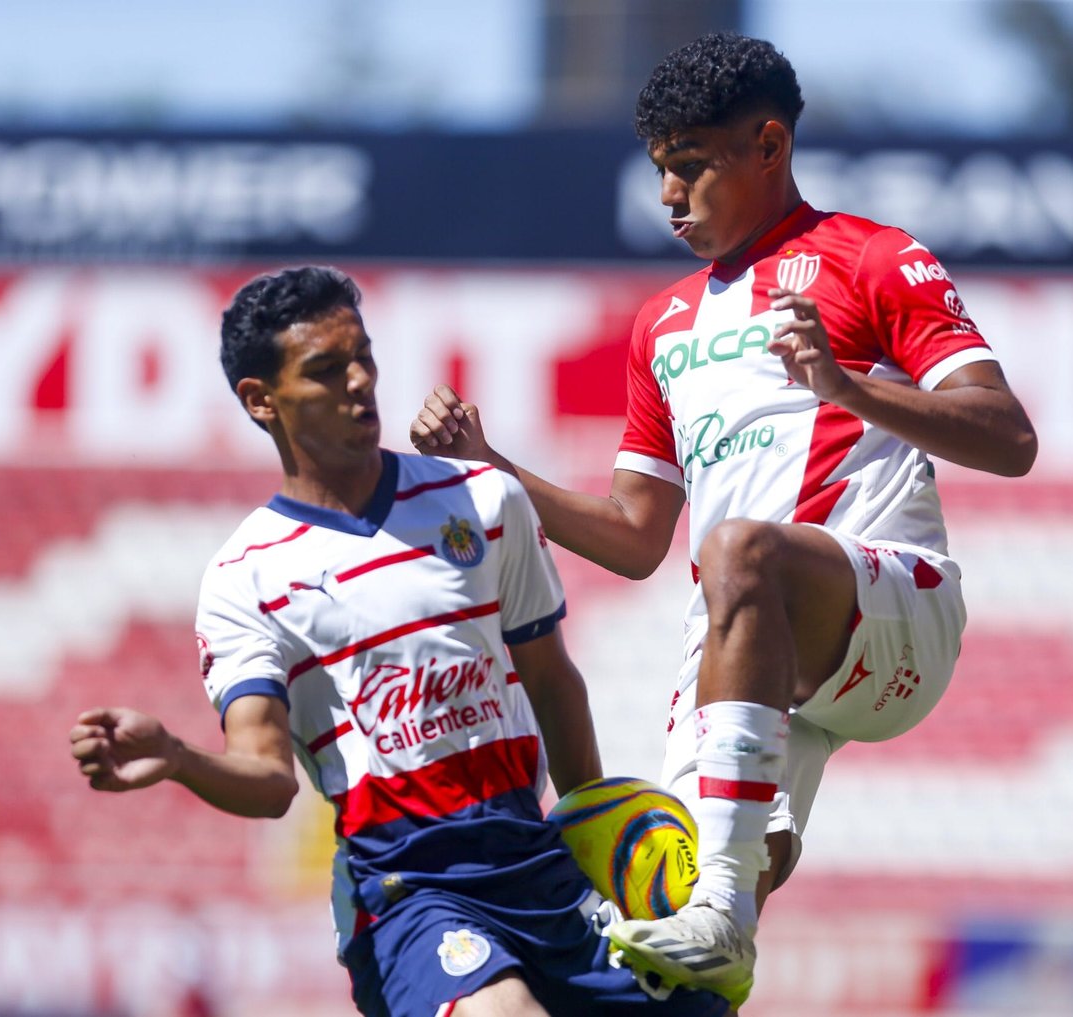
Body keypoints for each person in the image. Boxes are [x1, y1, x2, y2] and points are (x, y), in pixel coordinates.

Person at [410, 31, 1037, 1007]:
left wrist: (844, 386)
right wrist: (495, 474)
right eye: (661, 171)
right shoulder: (660, 325)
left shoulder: (875, 260)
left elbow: (1007, 437)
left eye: (692, 168)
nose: (668, 196)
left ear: (769, 147)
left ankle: (719, 911)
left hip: (889, 605)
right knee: (689, 920)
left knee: (737, 554)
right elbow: (631, 535)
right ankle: (712, 940)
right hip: (742, 638)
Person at [68, 266, 728, 1017]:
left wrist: (591, 824)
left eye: (364, 356)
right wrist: (181, 760)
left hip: (531, 856)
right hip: (407, 886)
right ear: (261, 401)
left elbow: (551, 681)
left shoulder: (480, 497)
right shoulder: (245, 578)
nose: (359, 382)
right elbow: (269, 776)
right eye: (325, 369)